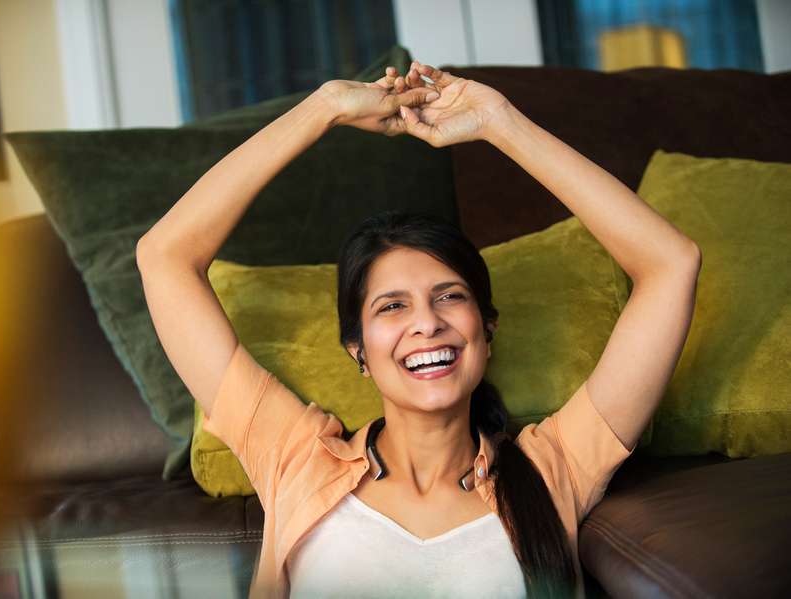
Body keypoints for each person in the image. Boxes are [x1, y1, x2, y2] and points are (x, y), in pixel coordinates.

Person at [137, 62, 701, 599]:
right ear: (357, 350)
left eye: (449, 297)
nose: (427, 323)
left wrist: (501, 122)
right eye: (392, 307)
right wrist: (323, 108)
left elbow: (670, 264)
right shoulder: (295, 460)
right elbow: (164, 257)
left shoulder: (555, 468)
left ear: (488, 329)